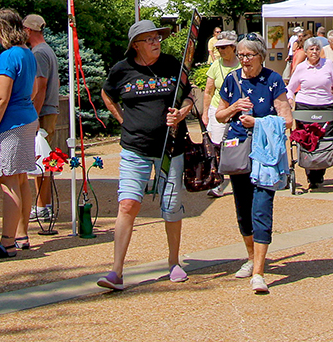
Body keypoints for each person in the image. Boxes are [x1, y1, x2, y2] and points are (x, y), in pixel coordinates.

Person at [98, 20, 194, 290]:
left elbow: (189, 94)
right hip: (134, 149)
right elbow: (107, 94)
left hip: (170, 148)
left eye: (157, 38)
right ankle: (116, 271)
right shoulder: (121, 70)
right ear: (135, 46)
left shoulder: (171, 64)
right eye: (149, 39)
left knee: (171, 206)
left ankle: (174, 262)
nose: (155, 43)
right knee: (127, 205)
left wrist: (182, 112)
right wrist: (122, 119)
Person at [216, 33, 293, 294]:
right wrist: (233, 108)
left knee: (262, 207)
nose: (244, 60)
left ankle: (259, 272)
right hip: (238, 149)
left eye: (249, 55)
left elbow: (287, 119)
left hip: (265, 153)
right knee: (243, 209)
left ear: (261, 56)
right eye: (241, 56)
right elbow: (219, 114)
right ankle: (251, 258)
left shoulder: (273, 80)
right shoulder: (232, 79)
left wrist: (258, 122)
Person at [0, 8, 39, 260]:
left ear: (3, 28)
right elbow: (34, 89)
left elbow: (1, 98)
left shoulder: (8, 57)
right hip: (25, 120)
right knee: (22, 180)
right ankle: (21, 234)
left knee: (9, 182)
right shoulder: (27, 54)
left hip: (8, 126)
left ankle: (7, 242)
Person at [287, 36, 333, 188]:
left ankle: (319, 174)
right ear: (305, 51)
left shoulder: (328, 65)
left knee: (324, 139)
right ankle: (311, 174)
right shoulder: (301, 68)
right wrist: (290, 99)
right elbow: (290, 88)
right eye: (311, 49)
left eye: (317, 49)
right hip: (305, 107)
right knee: (307, 139)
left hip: (325, 106)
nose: (314, 52)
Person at [23, 14, 60, 222]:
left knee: (41, 160)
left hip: (43, 111)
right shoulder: (47, 51)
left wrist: (34, 115)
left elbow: (41, 85)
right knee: (45, 159)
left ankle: (42, 206)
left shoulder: (38, 53)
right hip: (49, 109)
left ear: (28, 30)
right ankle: (44, 204)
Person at [203, 31, 240, 198]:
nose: (220, 51)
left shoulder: (241, 64)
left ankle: (240, 176)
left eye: (224, 47)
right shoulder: (215, 66)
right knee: (217, 146)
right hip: (218, 109)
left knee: (238, 145)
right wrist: (205, 114)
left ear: (233, 48)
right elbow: (208, 92)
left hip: (238, 110)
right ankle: (218, 181)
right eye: (218, 48)